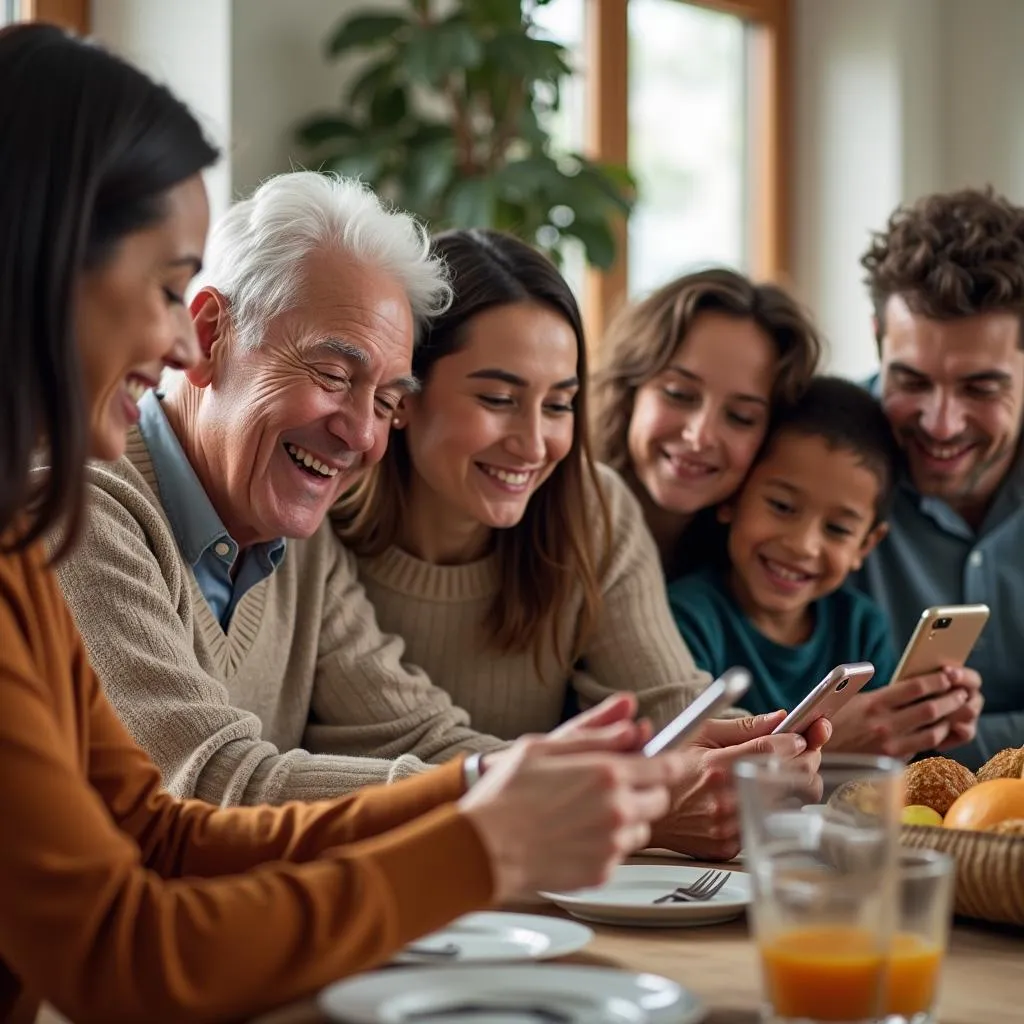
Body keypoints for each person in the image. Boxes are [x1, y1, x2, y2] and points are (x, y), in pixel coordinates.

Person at [0, 24, 696, 1022]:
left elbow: (162, 835)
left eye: (385, 395)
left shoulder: (24, 545)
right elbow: (125, 951)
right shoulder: (58, 521)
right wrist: (480, 837)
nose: (163, 339)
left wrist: (495, 783)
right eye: (161, 290)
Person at [334, 229, 829, 861]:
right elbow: (423, 745)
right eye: (498, 399)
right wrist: (624, 799)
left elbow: (666, 705)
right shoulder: (323, 516)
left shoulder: (594, 511)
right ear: (404, 391)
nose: (534, 442)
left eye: (559, 404)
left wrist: (739, 755)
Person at [857, 187, 1021, 769]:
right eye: (911, 382)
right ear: (878, 335)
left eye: (981, 388)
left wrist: (924, 745)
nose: (942, 425)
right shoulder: (811, 464)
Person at [669, 378, 904, 744]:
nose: (803, 545)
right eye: (781, 506)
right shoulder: (687, 618)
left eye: (838, 529)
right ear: (733, 496)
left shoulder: (862, 629)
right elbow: (695, 760)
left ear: (866, 546)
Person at [592, 268, 823, 581]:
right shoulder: (559, 509)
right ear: (630, 390)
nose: (700, 437)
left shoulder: (759, 571)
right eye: (679, 394)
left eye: (741, 417)